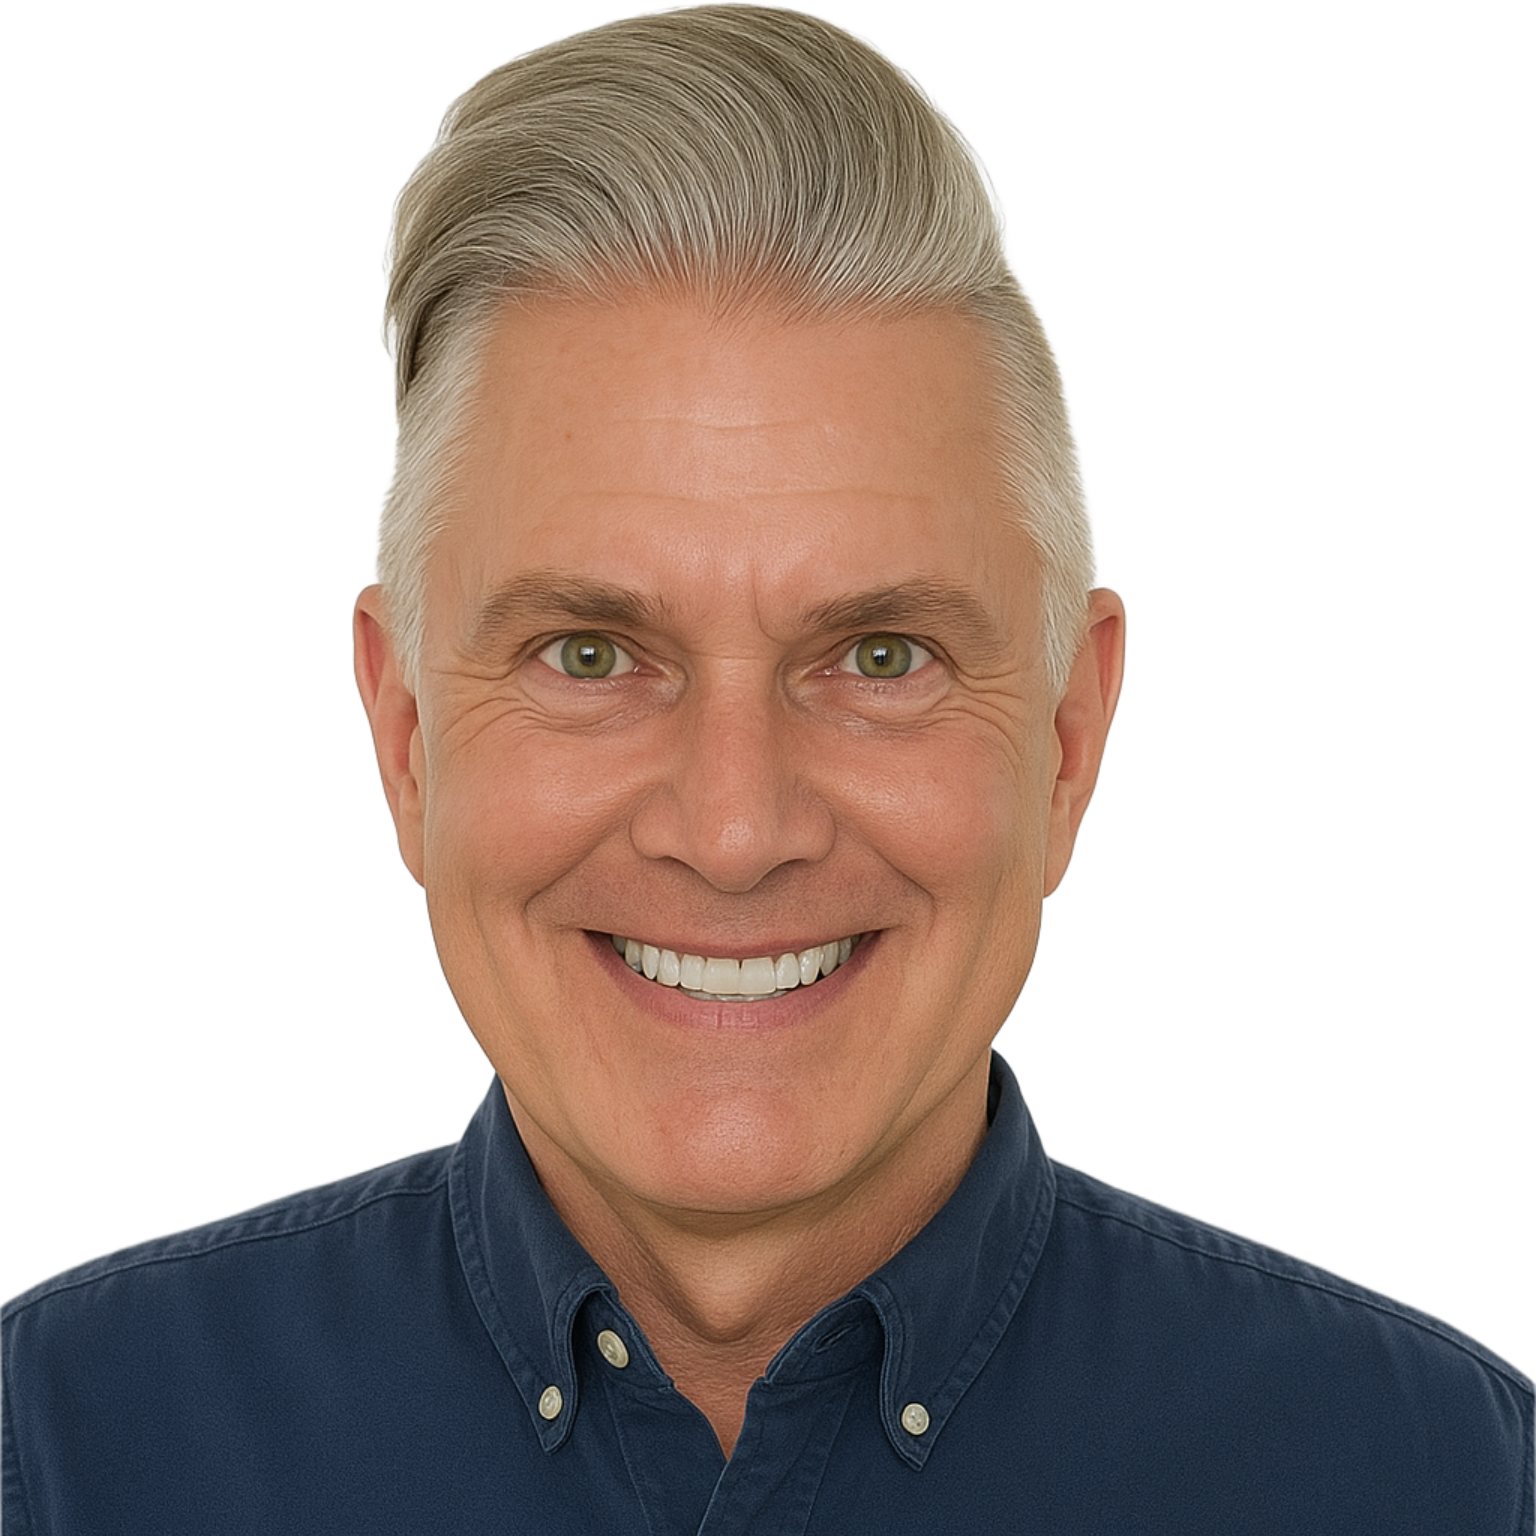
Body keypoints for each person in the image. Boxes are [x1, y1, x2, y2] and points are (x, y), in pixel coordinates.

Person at [3, 6, 1529, 1531]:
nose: (735, 830)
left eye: (879, 658)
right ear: (403, 735)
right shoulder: (57, 1449)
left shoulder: (1454, 1481)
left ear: (1073, 735)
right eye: (591, 656)